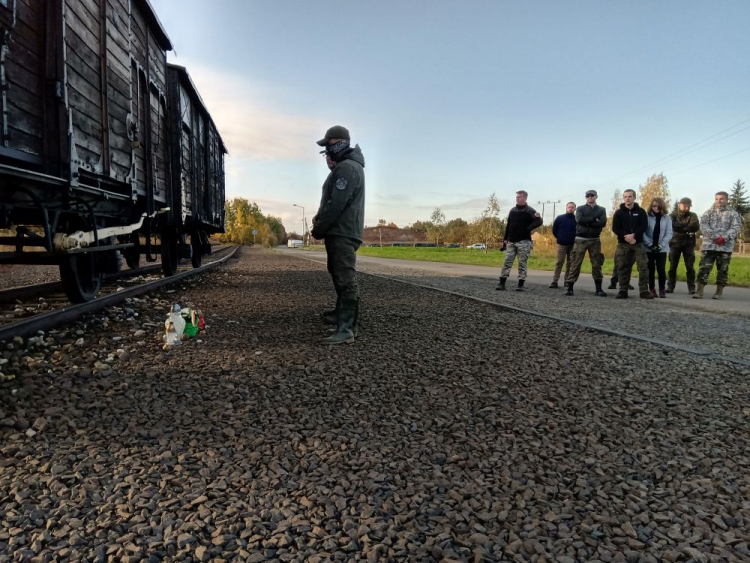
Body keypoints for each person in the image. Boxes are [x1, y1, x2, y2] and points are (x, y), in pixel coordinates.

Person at [310, 125, 366, 343]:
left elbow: (336, 204)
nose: (327, 152)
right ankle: (344, 319)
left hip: (342, 232)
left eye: (329, 146)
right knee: (339, 273)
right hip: (342, 231)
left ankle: (347, 329)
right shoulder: (347, 167)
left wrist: (319, 227)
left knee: (345, 278)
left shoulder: (347, 169)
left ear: (341, 143)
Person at [693, 191, 742, 300]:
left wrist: (724, 237)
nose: (719, 201)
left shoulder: (733, 214)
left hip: (725, 246)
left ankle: (719, 292)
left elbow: (736, 227)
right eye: (717, 199)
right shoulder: (708, 212)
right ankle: (699, 291)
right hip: (709, 245)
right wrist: (715, 237)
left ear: (727, 200)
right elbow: (704, 225)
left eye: (722, 199)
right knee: (704, 268)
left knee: (723, 269)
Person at [496, 190, 542, 291]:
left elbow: (539, 221)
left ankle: (520, 284)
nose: (517, 199)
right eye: (516, 197)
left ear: (525, 198)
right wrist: (505, 239)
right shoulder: (512, 210)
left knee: (522, 263)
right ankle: (502, 283)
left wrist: (528, 228)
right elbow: (508, 225)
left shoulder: (530, 210)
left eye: (520, 197)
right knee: (507, 262)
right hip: (511, 241)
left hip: (524, 241)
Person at [564, 190, 608, 297]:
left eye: (592, 196)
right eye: (587, 196)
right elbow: (579, 220)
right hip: (580, 239)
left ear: (596, 197)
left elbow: (603, 223)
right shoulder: (580, 209)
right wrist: (594, 219)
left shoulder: (602, 209)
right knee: (575, 263)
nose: (590, 197)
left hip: (595, 240)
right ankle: (570, 287)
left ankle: (599, 288)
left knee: (596, 264)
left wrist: (588, 221)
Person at [612, 189, 652, 299]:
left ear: (634, 197)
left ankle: (644, 290)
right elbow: (615, 228)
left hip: (638, 243)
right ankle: (623, 290)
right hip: (623, 243)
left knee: (643, 266)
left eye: (630, 196)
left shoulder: (641, 212)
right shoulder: (619, 213)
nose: (627, 198)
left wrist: (634, 235)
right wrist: (626, 236)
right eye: (625, 196)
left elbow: (644, 226)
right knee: (622, 266)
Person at [667, 197, 700, 294]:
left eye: (688, 206)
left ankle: (691, 288)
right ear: (679, 205)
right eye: (685, 206)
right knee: (672, 267)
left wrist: (681, 227)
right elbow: (673, 226)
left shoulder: (693, 215)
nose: (687, 208)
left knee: (690, 267)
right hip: (674, 244)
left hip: (688, 244)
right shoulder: (672, 215)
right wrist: (686, 226)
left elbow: (695, 226)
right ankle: (670, 286)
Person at [643, 197, 673, 298]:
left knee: (661, 269)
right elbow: (643, 233)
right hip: (649, 247)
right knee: (650, 269)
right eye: (654, 206)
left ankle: (662, 289)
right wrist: (650, 244)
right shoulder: (646, 217)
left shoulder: (667, 218)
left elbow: (669, 233)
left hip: (662, 249)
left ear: (662, 207)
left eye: (658, 206)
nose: (656, 208)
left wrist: (660, 246)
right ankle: (652, 289)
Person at [549, 202, 577, 289]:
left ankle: (567, 281)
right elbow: (554, 230)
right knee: (559, 262)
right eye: (569, 207)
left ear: (575, 209)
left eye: (572, 207)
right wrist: (560, 237)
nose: (570, 209)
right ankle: (555, 281)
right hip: (562, 244)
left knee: (571, 263)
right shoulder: (560, 218)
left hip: (573, 244)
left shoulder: (577, 219)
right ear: (566, 208)